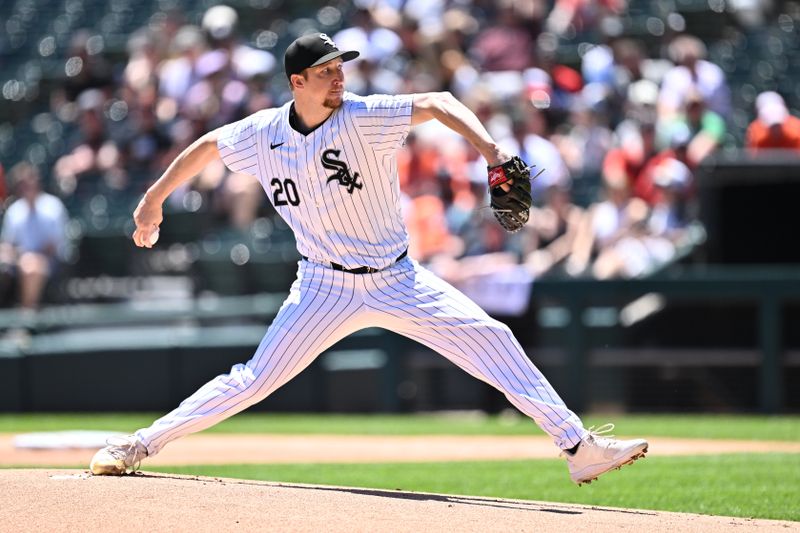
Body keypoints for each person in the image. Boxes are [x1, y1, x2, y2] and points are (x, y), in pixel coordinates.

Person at [90, 32, 647, 485]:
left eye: (342, 66)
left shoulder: (362, 116)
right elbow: (208, 145)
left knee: (493, 339)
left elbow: (439, 102)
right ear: (298, 82)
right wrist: (151, 201)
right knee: (252, 379)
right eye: (328, 69)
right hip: (320, 289)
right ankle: (140, 444)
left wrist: (493, 152)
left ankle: (578, 447)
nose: (340, 75)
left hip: (397, 279)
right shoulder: (261, 133)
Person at [0, 162, 68, 310]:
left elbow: (53, 247)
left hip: (49, 261)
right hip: (19, 260)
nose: (26, 187)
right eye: (22, 184)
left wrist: (28, 257)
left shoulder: (53, 206)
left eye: (29, 182)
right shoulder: (14, 211)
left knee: (32, 267)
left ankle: (27, 314)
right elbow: (8, 244)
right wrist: (16, 256)